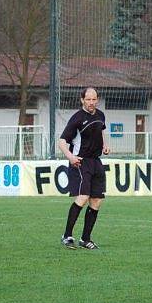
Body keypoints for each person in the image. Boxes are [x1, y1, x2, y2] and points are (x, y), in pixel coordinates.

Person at [58, 87, 111, 250]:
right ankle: (67, 236)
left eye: (94, 99)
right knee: (83, 197)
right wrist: (70, 157)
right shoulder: (77, 119)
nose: (91, 102)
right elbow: (61, 141)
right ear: (82, 100)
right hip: (81, 162)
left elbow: (101, 131)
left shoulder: (100, 115)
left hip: (96, 161)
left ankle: (85, 239)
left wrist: (105, 145)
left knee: (97, 201)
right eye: (88, 99)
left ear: (97, 99)